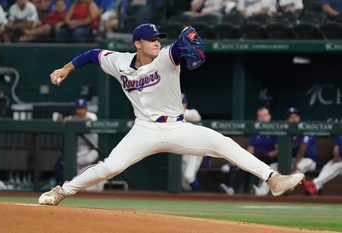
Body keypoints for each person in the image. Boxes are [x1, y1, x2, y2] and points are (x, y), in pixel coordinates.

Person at [38, 23, 304, 205]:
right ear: (137, 44)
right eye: (152, 39)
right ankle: (61, 191)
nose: (157, 43)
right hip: (144, 129)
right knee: (111, 167)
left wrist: (183, 42)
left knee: (222, 143)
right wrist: (66, 68)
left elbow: (179, 48)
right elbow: (92, 54)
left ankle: (273, 179)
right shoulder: (118, 61)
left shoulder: (167, 57)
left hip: (177, 128)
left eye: (158, 39)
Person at [251, 107, 317, 196]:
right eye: (291, 117)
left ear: (299, 118)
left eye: (296, 116)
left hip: (309, 160)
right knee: (272, 167)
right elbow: (280, 149)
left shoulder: (305, 128)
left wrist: (295, 163)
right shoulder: (285, 131)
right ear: (287, 120)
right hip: (293, 160)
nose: (294, 119)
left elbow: (303, 148)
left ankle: (288, 190)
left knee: (298, 167)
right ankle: (261, 191)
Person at [220, 107, 278, 195]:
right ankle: (232, 189)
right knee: (244, 165)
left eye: (265, 115)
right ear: (258, 118)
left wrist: (257, 157)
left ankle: (233, 166)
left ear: (269, 117)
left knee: (257, 156)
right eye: (260, 116)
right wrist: (246, 159)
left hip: (269, 158)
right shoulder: (256, 133)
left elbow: (278, 150)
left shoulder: (275, 130)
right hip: (256, 158)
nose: (263, 118)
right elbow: (250, 149)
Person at [180, 93, 203, 192]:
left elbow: (197, 118)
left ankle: (199, 197)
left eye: (183, 102)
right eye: (179, 102)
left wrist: (177, 116)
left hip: (194, 151)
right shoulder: (172, 114)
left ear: (186, 103)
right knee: (184, 184)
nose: (181, 104)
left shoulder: (192, 112)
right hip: (182, 151)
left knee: (189, 176)